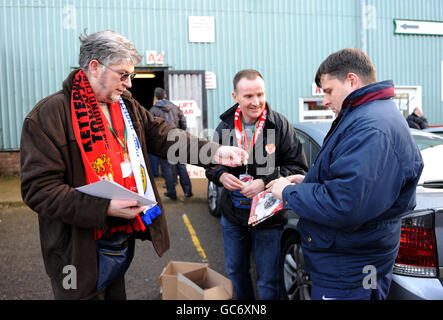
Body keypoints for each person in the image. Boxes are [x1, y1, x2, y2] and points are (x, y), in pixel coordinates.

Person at [19, 30, 247, 300]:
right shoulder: (47, 116)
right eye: (123, 74)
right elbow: (39, 190)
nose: (129, 83)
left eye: (131, 75)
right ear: (94, 68)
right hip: (76, 250)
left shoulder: (125, 105)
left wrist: (214, 152)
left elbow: (163, 136)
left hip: (120, 237)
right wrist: (104, 207)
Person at [267, 48, 423, 300]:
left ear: (352, 80)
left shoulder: (370, 127)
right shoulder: (370, 116)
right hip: (357, 260)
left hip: (348, 268)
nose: (325, 100)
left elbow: (344, 203)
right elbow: (358, 186)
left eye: (328, 91)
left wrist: (287, 192)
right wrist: (308, 182)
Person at [206, 69, 308, 300]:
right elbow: (211, 165)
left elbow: (299, 168)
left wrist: (265, 182)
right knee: (236, 272)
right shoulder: (225, 127)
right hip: (233, 217)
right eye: (249, 96)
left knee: (268, 279)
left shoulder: (279, 125)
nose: (256, 102)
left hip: (268, 219)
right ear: (235, 97)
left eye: (260, 94)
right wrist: (221, 176)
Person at [150, 87, 193, 200]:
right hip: (178, 139)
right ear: (165, 96)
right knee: (181, 166)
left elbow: (150, 128)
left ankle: (171, 193)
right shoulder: (175, 108)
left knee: (167, 168)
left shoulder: (153, 110)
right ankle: (188, 191)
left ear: (155, 97)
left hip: (164, 142)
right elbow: (183, 122)